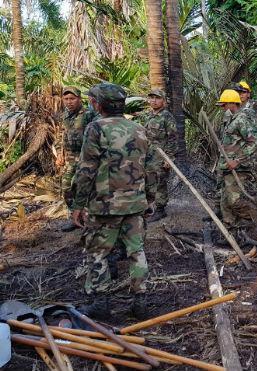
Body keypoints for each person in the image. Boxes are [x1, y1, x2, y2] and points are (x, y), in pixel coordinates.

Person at [71, 83, 157, 319]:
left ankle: (101, 303)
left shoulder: (95, 128)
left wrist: (78, 204)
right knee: (136, 251)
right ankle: (141, 301)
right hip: (135, 203)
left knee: (98, 252)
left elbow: (86, 169)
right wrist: (149, 198)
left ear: (97, 104)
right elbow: (151, 167)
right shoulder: (139, 129)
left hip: (105, 205)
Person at [216, 89, 257, 241]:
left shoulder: (242, 119)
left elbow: (254, 142)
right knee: (225, 202)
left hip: (239, 166)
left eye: (224, 105)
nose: (222, 108)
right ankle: (231, 233)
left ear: (232, 103)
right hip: (226, 166)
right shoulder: (230, 118)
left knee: (235, 201)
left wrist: (238, 160)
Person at [57, 87, 95, 232]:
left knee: (85, 188)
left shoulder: (89, 114)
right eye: (66, 99)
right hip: (70, 158)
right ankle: (75, 218)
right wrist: (60, 154)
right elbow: (62, 135)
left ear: (79, 99)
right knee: (66, 188)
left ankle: (89, 220)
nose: (69, 102)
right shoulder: (65, 115)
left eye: (72, 99)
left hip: (86, 158)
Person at [233, 81, 257, 211]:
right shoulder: (234, 106)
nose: (241, 95)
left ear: (248, 93)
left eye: (243, 92)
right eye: (239, 92)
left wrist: (256, 132)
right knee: (238, 169)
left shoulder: (254, 105)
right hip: (238, 143)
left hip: (252, 142)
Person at [139, 89, 177, 222]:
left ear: (163, 101)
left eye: (157, 98)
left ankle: (160, 209)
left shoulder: (167, 116)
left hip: (161, 156)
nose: (154, 101)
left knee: (160, 182)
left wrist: (169, 158)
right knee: (148, 182)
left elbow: (172, 138)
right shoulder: (149, 115)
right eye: (151, 98)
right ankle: (149, 207)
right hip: (148, 156)